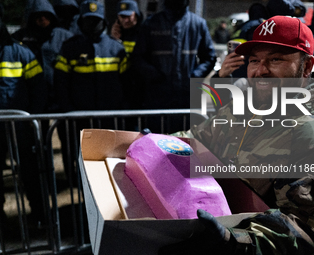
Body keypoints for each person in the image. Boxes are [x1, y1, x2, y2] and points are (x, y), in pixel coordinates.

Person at [161, 16, 314, 254]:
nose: (259, 71)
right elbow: (198, 138)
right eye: (254, 60)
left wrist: (234, 240)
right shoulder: (244, 108)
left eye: (275, 59)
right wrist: (156, 143)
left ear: (306, 67)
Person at [54, 0, 128, 182]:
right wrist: (69, 111)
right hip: (80, 120)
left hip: (110, 120)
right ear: (81, 21)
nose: (92, 25)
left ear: (103, 21)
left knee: (109, 166)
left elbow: (127, 84)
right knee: (83, 166)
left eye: (96, 21)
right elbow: (60, 83)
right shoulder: (70, 48)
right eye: (88, 20)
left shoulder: (116, 48)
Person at [132, 0, 216, 133]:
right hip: (157, 98)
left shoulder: (197, 24)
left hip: (186, 98)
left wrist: (194, 76)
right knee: (157, 143)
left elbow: (210, 57)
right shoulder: (151, 23)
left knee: (185, 143)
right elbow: (138, 57)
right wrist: (154, 75)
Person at [0, 4, 47, 226]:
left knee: (30, 173)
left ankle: (39, 216)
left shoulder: (21, 53)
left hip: (20, 128)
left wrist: (32, 120)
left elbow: (38, 91)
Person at [12, 0, 74, 114]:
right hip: (33, 96)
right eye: (38, 16)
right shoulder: (21, 37)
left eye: (46, 15)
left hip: (60, 95)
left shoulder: (64, 36)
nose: (42, 19)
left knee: (66, 129)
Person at [111, 0, 144, 118]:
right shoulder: (114, 36)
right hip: (122, 90)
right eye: (122, 16)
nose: (125, 20)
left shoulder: (143, 33)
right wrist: (113, 42)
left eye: (128, 16)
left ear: (136, 14)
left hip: (140, 89)